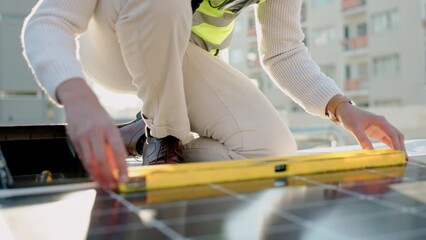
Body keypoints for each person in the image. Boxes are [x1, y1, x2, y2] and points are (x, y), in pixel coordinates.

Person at [21, 0, 406, 189]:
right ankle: (162, 132)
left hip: (179, 62)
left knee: (269, 151)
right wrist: (78, 98)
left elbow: (283, 50)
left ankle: (144, 136)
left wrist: (341, 107)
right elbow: (47, 21)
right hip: (113, 45)